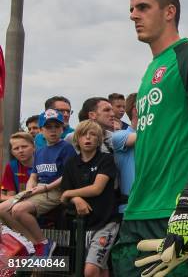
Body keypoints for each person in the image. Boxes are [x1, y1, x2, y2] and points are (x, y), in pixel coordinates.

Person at [111, 0, 188, 277]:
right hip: (139, 209)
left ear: (169, 11)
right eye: (132, 9)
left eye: (143, 7)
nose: (133, 15)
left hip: (179, 213)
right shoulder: (152, 69)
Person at [0, 109, 77, 256]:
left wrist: (44, 188)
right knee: (2, 209)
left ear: (62, 128)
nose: (53, 130)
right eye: (48, 127)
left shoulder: (66, 148)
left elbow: (66, 176)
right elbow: (34, 175)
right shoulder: (40, 151)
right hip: (39, 188)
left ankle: (44, 243)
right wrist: (29, 189)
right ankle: (31, 242)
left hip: (55, 190)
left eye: (57, 126)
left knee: (18, 210)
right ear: (41, 130)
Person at [61, 119, 119, 277]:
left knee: (91, 270)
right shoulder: (71, 163)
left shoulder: (106, 160)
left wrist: (70, 194)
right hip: (83, 225)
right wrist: (76, 199)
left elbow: (96, 189)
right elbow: (64, 194)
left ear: (99, 139)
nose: (88, 138)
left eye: (93, 134)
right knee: (101, 268)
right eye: (83, 135)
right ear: (77, 139)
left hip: (106, 222)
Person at [111, 92, 137, 214]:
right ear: (135, 110)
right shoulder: (119, 136)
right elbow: (146, 136)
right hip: (129, 210)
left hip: (155, 206)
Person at [0, 132, 35, 201]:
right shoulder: (11, 166)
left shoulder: (42, 163)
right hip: (20, 203)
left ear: (34, 147)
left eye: (24, 146)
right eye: (16, 148)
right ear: (12, 152)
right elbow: (10, 195)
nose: (21, 151)